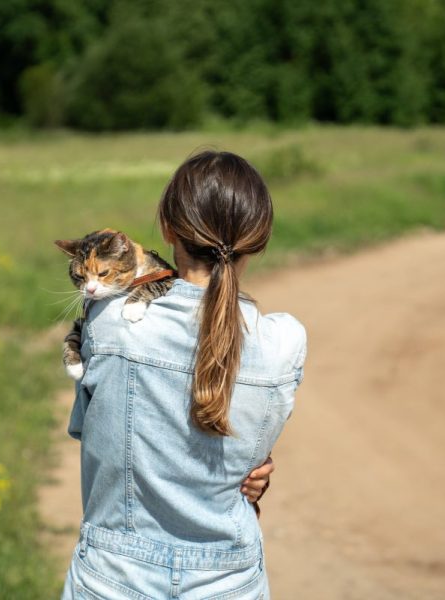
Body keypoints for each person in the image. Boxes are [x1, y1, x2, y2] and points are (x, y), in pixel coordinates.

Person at [61, 150, 307, 599]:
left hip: (113, 578)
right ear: (259, 241)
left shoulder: (109, 323)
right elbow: (248, 468)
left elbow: (91, 434)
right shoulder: (283, 343)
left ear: (168, 229)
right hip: (229, 582)